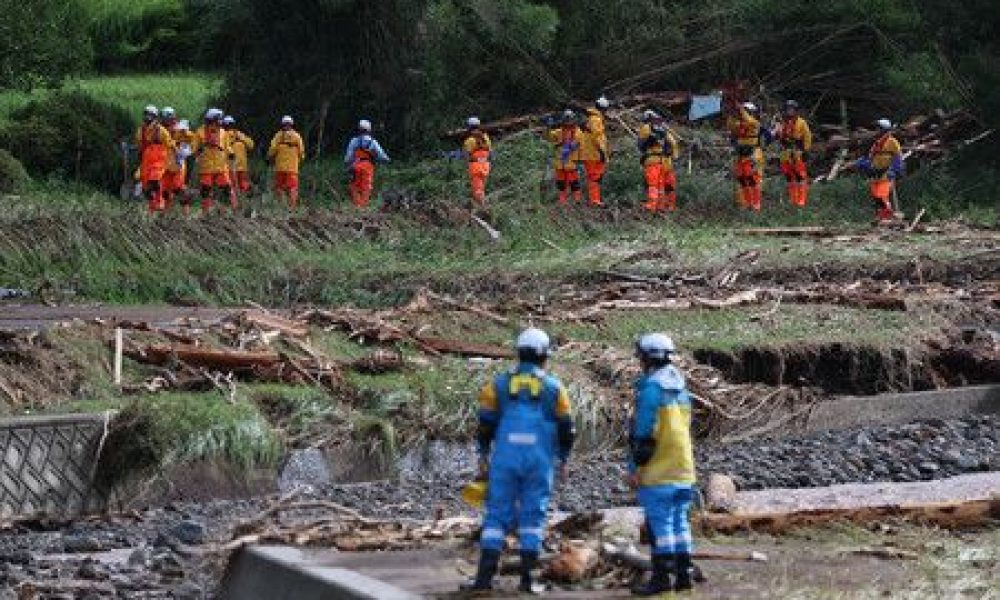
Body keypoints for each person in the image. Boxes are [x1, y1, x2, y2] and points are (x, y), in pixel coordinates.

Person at [465, 328, 576, 593]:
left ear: (518, 354)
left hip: (505, 459)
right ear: (544, 357)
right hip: (539, 461)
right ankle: (528, 580)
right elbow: (567, 428)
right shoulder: (553, 387)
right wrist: (563, 458)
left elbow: (485, 424)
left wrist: (482, 454)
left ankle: (483, 579)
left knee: (496, 515)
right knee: (533, 516)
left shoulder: (499, 384)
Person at [628, 333, 697, 596]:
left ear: (646, 358)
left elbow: (643, 436)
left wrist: (635, 468)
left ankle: (661, 578)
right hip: (684, 468)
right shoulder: (681, 388)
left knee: (661, 525)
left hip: (658, 470)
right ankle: (684, 574)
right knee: (680, 522)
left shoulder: (651, 390)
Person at [856, 119, 904, 222]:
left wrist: (896, 170)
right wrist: (864, 164)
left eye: (879, 128)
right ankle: (881, 217)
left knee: (882, 196)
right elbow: (870, 157)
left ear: (885, 129)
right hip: (875, 173)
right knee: (876, 197)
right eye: (877, 128)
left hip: (886, 173)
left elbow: (897, 157)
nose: (877, 130)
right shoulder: (876, 143)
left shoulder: (892, 142)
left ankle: (887, 218)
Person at [637, 111, 679, 212]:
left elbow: (640, 145)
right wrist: (675, 157)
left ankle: (652, 206)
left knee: (653, 185)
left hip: (652, 161)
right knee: (665, 186)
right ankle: (664, 206)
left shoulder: (646, 127)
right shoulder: (663, 129)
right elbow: (673, 143)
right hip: (666, 162)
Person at [135, 105, 174, 214]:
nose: (147, 117)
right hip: (145, 160)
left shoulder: (160, 130)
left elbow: (169, 143)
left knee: (155, 181)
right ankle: (151, 209)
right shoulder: (141, 129)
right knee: (146, 188)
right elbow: (139, 144)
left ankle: (160, 202)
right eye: (146, 114)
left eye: (150, 115)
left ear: (155, 117)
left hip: (159, 160)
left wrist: (176, 153)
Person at [194, 108, 233, 215]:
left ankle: (229, 211)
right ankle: (205, 212)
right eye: (218, 119)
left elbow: (226, 146)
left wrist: (230, 152)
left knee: (226, 189)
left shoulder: (223, 132)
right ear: (212, 119)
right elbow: (194, 148)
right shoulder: (200, 132)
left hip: (221, 166)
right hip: (206, 166)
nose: (220, 121)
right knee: (206, 190)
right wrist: (198, 149)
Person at [344, 119, 390, 208]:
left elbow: (348, 157)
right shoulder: (373, 142)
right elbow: (382, 156)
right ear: (369, 130)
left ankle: (357, 205)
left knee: (354, 186)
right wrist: (386, 160)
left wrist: (348, 165)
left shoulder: (353, 141)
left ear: (359, 129)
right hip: (368, 167)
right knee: (366, 187)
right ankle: (363, 207)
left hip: (355, 166)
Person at [776, 100, 813, 207]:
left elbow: (807, 137)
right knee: (789, 178)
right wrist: (777, 131)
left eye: (792, 109)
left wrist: (806, 151)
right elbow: (779, 136)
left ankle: (801, 200)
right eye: (788, 109)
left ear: (796, 110)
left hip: (797, 152)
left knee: (800, 177)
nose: (789, 111)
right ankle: (793, 200)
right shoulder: (783, 122)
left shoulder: (801, 122)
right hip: (785, 152)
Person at [727, 101, 763, 211]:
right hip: (741, 156)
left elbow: (749, 120)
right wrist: (733, 113)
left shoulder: (755, 123)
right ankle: (748, 204)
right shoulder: (739, 124)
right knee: (742, 180)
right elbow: (730, 125)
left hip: (752, 155)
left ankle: (756, 204)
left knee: (752, 180)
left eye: (747, 112)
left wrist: (741, 109)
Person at [545, 110, 584, 205]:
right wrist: (548, 127)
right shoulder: (559, 131)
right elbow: (549, 137)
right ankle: (562, 200)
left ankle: (577, 200)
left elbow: (580, 143)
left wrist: (572, 148)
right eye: (566, 121)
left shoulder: (578, 132)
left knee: (574, 182)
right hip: (560, 162)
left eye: (569, 121)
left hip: (571, 161)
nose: (568, 124)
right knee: (561, 182)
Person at [162, 109, 196, 214]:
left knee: (178, 188)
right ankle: (165, 215)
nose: (169, 120)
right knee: (165, 191)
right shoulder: (160, 130)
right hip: (166, 164)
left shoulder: (180, 128)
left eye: (171, 117)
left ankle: (186, 213)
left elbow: (193, 139)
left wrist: (189, 147)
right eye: (167, 118)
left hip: (178, 163)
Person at [267, 116, 306, 210]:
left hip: (280, 167)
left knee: (279, 187)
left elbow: (272, 149)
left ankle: (280, 206)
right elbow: (301, 152)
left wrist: (269, 158)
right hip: (292, 168)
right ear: (291, 124)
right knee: (292, 188)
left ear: (282, 124)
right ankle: (291, 207)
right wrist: (301, 160)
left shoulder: (278, 136)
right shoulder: (297, 136)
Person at [579, 96, 611, 206]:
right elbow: (597, 137)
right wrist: (602, 152)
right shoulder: (595, 119)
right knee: (594, 178)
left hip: (592, 153)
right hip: (594, 154)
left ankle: (595, 199)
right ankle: (594, 200)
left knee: (596, 177)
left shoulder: (593, 118)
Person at [224, 115, 255, 202]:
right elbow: (251, 145)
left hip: (231, 166)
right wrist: (242, 139)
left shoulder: (224, 135)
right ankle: (245, 202)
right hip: (242, 165)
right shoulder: (240, 134)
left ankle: (235, 204)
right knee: (243, 184)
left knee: (232, 186)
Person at [462, 116, 492, 205]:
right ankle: (480, 205)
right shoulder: (486, 138)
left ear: (469, 127)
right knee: (481, 188)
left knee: (477, 190)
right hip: (486, 165)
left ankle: (482, 208)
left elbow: (465, 155)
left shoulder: (469, 141)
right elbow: (490, 152)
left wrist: (467, 165)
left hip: (475, 167)